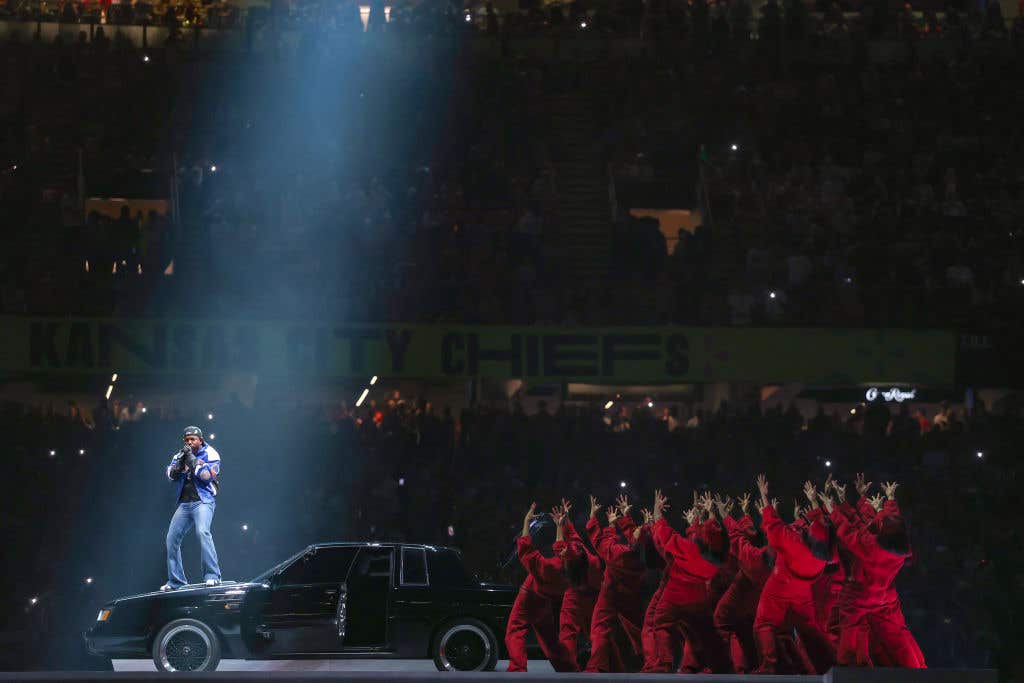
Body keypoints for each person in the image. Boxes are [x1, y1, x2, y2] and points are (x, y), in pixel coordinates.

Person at [825, 477, 926, 668]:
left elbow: (849, 532)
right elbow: (889, 523)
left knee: (849, 631)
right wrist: (887, 500)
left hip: (859, 595)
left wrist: (833, 510)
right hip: (885, 597)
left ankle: (849, 672)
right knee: (899, 635)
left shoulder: (871, 546)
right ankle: (917, 669)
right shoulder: (903, 547)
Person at [751, 475, 837, 674]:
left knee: (764, 623)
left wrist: (764, 497)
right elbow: (823, 523)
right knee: (810, 630)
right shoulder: (826, 551)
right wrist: (814, 500)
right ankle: (827, 666)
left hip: (780, 586)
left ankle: (769, 665)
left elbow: (773, 526)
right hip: (803, 592)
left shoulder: (795, 544)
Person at [505, 503, 578, 672]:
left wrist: (526, 522)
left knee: (515, 630)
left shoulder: (549, 566)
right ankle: (568, 668)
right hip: (544, 602)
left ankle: (517, 668)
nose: (564, 546)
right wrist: (561, 525)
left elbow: (525, 551)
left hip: (528, 595)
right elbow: (560, 547)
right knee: (549, 639)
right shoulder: (570, 573)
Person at [584, 495, 646, 672]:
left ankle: (596, 666)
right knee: (638, 631)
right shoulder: (640, 557)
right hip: (631, 596)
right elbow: (636, 535)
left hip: (610, 594)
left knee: (599, 629)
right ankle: (652, 663)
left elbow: (599, 540)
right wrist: (625, 518)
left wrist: (599, 518)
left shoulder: (618, 553)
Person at [161, 426, 222, 591]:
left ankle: (212, 576)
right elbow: (170, 476)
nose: (189, 442)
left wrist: (193, 462)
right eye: (187, 440)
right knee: (171, 538)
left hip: (203, 501)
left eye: (193, 439)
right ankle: (176, 581)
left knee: (203, 532)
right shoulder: (180, 455)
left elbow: (207, 476)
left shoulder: (211, 453)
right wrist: (181, 464)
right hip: (185, 504)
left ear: (200, 440)